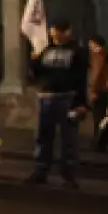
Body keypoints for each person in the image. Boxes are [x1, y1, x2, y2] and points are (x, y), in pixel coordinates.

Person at [26, 19, 89, 190]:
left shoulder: (77, 52)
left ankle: (69, 175)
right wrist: (34, 61)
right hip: (46, 96)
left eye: (58, 33)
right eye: (53, 33)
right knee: (43, 136)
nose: (55, 36)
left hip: (67, 97)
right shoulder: (46, 49)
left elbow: (81, 79)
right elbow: (36, 74)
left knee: (69, 139)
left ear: (67, 32)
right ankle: (41, 170)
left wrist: (81, 102)